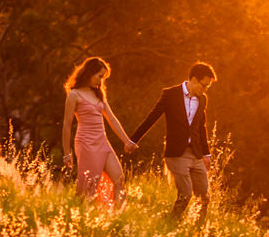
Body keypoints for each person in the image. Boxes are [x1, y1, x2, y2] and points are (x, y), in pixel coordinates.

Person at [130, 61, 217, 224]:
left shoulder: (202, 99)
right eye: (204, 85)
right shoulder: (171, 95)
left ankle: (198, 231)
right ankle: (169, 224)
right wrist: (133, 140)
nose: (205, 90)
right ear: (193, 80)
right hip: (177, 153)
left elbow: (201, 126)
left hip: (196, 153)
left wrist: (206, 153)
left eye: (208, 87)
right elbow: (152, 117)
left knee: (205, 196)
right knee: (185, 194)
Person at [61, 57, 138, 207]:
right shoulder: (74, 95)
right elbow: (66, 125)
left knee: (119, 179)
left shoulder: (98, 94)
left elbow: (112, 119)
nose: (101, 81)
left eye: (103, 77)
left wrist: (127, 141)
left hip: (103, 142)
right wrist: (66, 153)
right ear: (89, 73)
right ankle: (83, 219)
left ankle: (118, 218)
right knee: (89, 188)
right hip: (86, 144)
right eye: (99, 76)